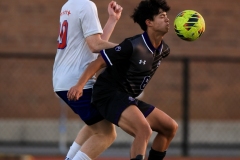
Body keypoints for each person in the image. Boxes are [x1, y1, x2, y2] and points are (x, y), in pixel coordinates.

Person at [67, 0, 178, 159]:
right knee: (143, 130)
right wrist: (79, 85)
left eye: (167, 16)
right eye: (162, 16)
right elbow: (98, 62)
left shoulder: (164, 49)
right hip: (108, 95)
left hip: (126, 97)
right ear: (149, 22)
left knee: (170, 127)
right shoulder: (133, 45)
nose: (167, 19)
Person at [52, 0, 122, 159]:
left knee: (94, 125)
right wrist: (129, 48)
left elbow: (93, 43)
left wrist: (112, 20)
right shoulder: (86, 5)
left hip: (63, 78)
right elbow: (95, 45)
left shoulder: (68, 5)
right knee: (107, 134)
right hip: (76, 81)